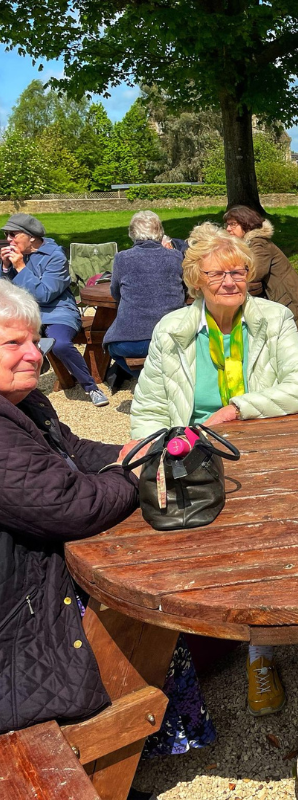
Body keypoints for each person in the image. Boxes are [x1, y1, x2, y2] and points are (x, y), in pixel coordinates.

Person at [130, 222, 298, 716]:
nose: (229, 281)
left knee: (264, 543)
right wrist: (147, 451)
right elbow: (149, 409)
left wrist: (238, 407)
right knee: (188, 543)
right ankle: (196, 639)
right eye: (217, 274)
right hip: (192, 452)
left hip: (266, 448)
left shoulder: (273, 318)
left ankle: (260, 652)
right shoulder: (172, 330)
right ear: (196, 278)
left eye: (238, 271)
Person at [0, 278, 140, 736]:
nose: (35, 355)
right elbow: (66, 505)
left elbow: (74, 452)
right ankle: (113, 746)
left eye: (33, 340)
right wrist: (129, 477)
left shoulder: (25, 401)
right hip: (19, 609)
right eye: (12, 343)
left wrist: (135, 451)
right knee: (135, 596)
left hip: (30, 574)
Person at [0, 213, 109, 406]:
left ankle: (91, 387)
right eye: (6, 234)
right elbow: (7, 292)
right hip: (27, 314)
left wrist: (20, 267)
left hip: (57, 311)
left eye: (13, 234)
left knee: (59, 344)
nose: (8, 240)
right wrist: (7, 268)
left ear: (30, 236)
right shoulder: (14, 256)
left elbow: (44, 295)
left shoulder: (55, 257)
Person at [103, 211, 186, 376]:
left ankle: (144, 379)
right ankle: (155, 380)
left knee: (112, 346)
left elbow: (115, 293)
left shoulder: (122, 258)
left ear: (132, 233)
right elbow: (184, 288)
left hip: (132, 341)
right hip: (172, 336)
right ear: (160, 233)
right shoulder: (176, 257)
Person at [222, 205, 298, 339]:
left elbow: (254, 274)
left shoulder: (258, 244)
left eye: (233, 225)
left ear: (246, 224)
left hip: (294, 305)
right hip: (286, 303)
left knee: (292, 349)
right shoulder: (250, 244)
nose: (228, 229)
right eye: (227, 225)